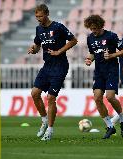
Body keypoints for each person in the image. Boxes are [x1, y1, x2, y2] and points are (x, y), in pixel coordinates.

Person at [27, 4, 77, 141]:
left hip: (60, 66)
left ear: (47, 14)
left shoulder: (58, 27)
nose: (38, 19)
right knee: (35, 93)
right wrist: (33, 49)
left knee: (50, 98)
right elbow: (38, 45)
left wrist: (59, 51)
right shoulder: (39, 29)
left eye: (41, 16)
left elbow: (74, 40)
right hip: (47, 66)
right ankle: (44, 120)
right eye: (36, 16)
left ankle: (50, 129)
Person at [84, 15, 123, 139]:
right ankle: (110, 127)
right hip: (99, 72)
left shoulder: (111, 36)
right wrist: (89, 59)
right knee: (97, 98)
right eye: (91, 29)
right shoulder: (90, 38)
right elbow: (92, 53)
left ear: (101, 25)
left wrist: (113, 55)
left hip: (111, 70)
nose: (93, 31)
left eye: (95, 28)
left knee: (110, 97)